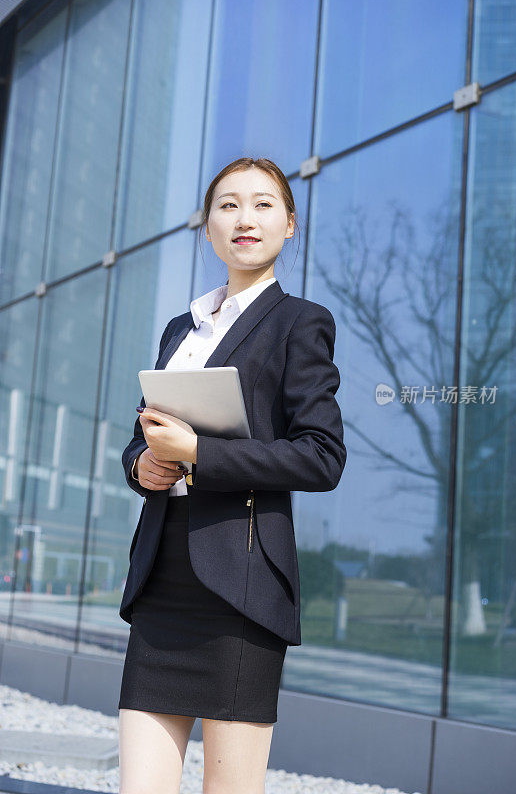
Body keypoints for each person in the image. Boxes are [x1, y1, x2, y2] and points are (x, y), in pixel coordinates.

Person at [117, 157, 347, 794]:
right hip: (163, 571)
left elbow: (322, 456)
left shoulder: (301, 322)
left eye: (263, 204)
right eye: (228, 205)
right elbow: (142, 437)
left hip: (240, 582)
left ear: (289, 225)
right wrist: (147, 463)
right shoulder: (180, 328)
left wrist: (199, 453)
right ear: (207, 227)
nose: (245, 218)